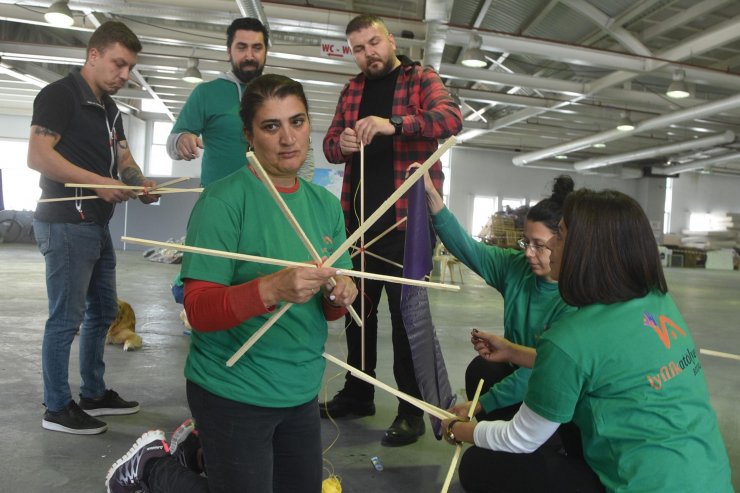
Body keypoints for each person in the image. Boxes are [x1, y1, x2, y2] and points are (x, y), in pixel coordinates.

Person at [106, 74, 358, 493]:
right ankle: (152, 467)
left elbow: (332, 308)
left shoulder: (326, 206)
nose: (287, 138)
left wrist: (341, 292)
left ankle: (196, 452)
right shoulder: (223, 201)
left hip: (299, 388)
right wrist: (272, 288)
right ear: (248, 134)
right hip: (233, 387)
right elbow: (199, 310)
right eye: (271, 126)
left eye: (297, 122)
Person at [441, 189, 733, 492]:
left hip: (636, 485)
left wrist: (459, 429)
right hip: (711, 479)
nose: (550, 244)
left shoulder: (571, 336)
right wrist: (514, 351)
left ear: (588, 251)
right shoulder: (657, 300)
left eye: (561, 236)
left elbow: (521, 437)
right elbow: (595, 364)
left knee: (480, 465)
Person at [320, 13, 462, 446]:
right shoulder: (352, 90)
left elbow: (451, 119)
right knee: (356, 316)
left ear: (390, 39)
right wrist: (341, 143)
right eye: (359, 49)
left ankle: (410, 410)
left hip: (408, 223)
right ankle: (359, 392)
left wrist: (394, 124)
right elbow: (327, 146)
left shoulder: (421, 79)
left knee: (407, 321)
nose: (368, 54)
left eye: (373, 43)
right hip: (359, 223)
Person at [28, 20, 157, 435]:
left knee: (103, 311)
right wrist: (98, 182)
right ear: (94, 55)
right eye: (118, 65)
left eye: (129, 68)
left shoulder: (111, 111)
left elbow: (125, 162)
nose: (124, 75)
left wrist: (140, 185)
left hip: (95, 224)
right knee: (65, 319)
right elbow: (37, 155)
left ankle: (94, 393)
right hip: (64, 223)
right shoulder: (58, 95)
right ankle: (56, 407)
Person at [421, 174, 577, 424]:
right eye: (526, 242)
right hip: (520, 372)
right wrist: (432, 198)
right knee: (481, 370)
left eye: (539, 245)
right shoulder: (516, 269)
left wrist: (483, 404)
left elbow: (545, 370)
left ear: (564, 243)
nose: (528, 253)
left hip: (553, 386)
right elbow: (468, 249)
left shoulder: (576, 299)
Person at [167, 17, 314, 186]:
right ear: (229, 51)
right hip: (218, 200)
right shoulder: (206, 93)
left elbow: (303, 147)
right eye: (242, 47)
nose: (249, 56)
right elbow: (172, 143)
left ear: (266, 51)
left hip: (269, 200)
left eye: (257, 48)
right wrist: (181, 140)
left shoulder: (281, 93)